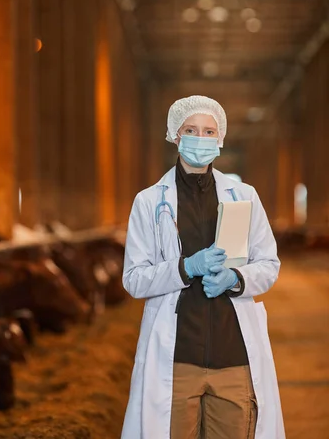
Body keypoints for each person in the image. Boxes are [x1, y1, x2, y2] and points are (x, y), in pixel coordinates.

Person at [121, 95, 285, 439]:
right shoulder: (150, 201)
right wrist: (185, 268)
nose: (201, 137)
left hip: (234, 356)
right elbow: (134, 280)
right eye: (191, 130)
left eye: (209, 131)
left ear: (220, 138)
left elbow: (268, 264)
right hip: (177, 358)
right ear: (175, 136)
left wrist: (236, 278)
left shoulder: (244, 196)